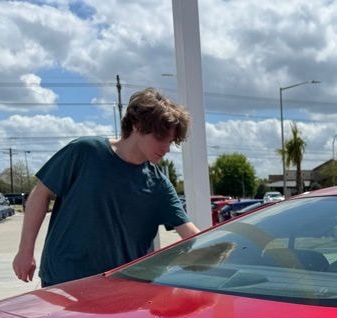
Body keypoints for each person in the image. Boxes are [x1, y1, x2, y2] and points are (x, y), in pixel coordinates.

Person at [13, 88, 200, 286]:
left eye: (170, 141)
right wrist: (25, 251)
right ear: (137, 125)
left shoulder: (159, 185)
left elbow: (191, 235)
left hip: (120, 288)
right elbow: (41, 193)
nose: (166, 148)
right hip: (63, 280)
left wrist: (218, 250)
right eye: (160, 137)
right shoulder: (85, 152)